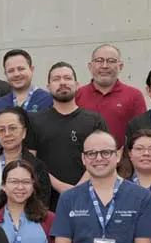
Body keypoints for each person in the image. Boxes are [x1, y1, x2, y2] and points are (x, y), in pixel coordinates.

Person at [26, 62, 109, 211]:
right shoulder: (34, 121)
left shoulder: (94, 120)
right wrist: (60, 187)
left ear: (77, 85)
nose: (62, 82)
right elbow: (30, 161)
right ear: (48, 86)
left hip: (89, 196)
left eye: (67, 78)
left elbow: (104, 158)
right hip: (46, 201)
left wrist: (78, 187)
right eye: (56, 79)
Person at [0, 107, 51, 212]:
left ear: (24, 132)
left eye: (12, 128)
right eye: (2, 130)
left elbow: (43, 204)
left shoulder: (37, 167)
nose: (7, 134)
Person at [75, 44, 147, 148]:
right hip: (84, 161)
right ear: (90, 66)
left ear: (120, 66)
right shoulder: (78, 95)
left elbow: (141, 135)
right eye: (99, 60)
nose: (105, 66)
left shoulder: (134, 96)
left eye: (111, 61)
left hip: (122, 162)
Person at [0, 49, 53, 131]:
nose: (16, 74)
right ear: (5, 74)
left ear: (31, 69)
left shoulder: (48, 100)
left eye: (21, 69)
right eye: (11, 71)